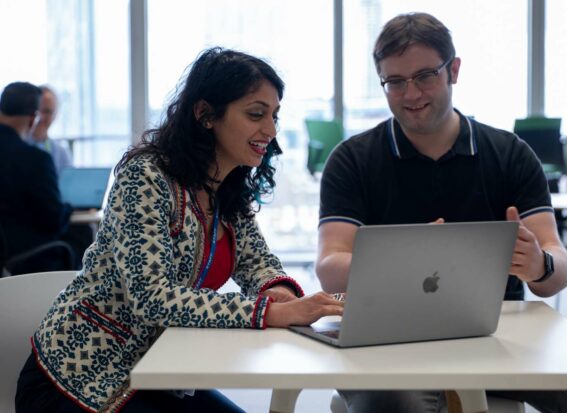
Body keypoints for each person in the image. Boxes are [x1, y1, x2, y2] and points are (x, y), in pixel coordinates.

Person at [316, 12, 567, 413]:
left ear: (453, 70)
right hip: (387, 338)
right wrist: (405, 257)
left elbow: (556, 270)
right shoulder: (353, 160)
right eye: (395, 82)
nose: (411, 94)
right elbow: (329, 265)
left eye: (425, 76)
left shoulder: (509, 154)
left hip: (497, 335)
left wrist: (539, 264)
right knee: (395, 404)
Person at [15, 48, 344, 413]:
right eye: (256, 114)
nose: (270, 130)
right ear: (205, 114)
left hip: (160, 376)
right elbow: (152, 298)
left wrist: (280, 292)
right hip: (82, 379)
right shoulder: (146, 176)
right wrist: (269, 313)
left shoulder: (228, 185)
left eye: (274, 116)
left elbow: (256, 262)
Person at [0, 81, 73, 274]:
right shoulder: (35, 160)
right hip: (27, 264)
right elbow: (53, 220)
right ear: (33, 118)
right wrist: (68, 208)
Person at [27, 85, 73, 174]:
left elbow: (69, 185)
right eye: (36, 110)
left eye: (47, 111)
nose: (40, 116)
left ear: (55, 115)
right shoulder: (15, 147)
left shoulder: (61, 153)